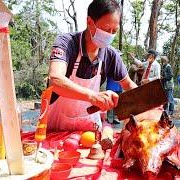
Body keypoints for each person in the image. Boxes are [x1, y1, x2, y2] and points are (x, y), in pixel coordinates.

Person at [47, 0, 137, 131]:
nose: (110, 35)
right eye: (106, 29)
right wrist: (93, 96)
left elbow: (129, 86)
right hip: (56, 128)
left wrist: (150, 104)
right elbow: (54, 80)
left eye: (114, 31)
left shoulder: (110, 55)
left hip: (89, 130)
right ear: (89, 22)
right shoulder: (67, 43)